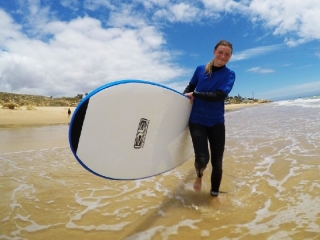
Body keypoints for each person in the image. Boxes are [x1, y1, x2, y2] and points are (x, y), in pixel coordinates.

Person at [183, 40, 235, 197]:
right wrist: (184, 99)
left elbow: (219, 95)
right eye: (220, 52)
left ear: (230, 56)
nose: (223, 56)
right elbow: (189, 89)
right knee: (203, 159)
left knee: (217, 162)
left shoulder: (229, 74)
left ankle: (214, 195)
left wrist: (196, 95)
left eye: (227, 54)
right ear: (214, 52)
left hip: (217, 122)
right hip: (197, 120)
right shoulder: (200, 70)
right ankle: (199, 175)